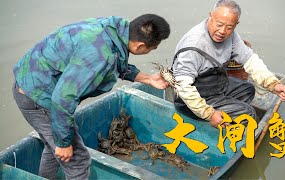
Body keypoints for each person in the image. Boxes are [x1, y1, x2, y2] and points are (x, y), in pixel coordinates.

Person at [12, 14, 170, 179]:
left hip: (31, 79)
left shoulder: (111, 29)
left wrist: (148, 79)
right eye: (152, 48)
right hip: (38, 96)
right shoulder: (100, 57)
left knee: (55, 150)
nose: (151, 51)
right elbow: (62, 99)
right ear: (140, 46)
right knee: (77, 161)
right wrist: (64, 143)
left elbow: (117, 62)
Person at [172, 0, 285, 128]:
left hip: (215, 87)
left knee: (248, 89)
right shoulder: (194, 44)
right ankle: (219, 123)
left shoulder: (231, 36)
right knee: (248, 113)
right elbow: (183, 86)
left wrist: (273, 84)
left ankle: (226, 118)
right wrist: (209, 113)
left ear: (236, 24)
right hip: (189, 99)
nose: (222, 31)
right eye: (219, 24)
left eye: (229, 27)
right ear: (210, 16)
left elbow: (250, 59)